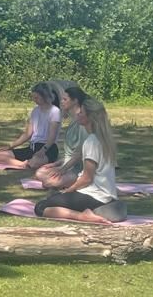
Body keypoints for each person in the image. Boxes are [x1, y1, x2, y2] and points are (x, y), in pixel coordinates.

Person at [34, 95, 124, 223]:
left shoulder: (92, 142)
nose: (78, 115)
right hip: (105, 194)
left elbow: (87, 178)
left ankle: (82, 216)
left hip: (94, 195)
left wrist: (68, 191)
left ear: (89, 118)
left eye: (81, 112)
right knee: (55, 197)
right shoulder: (105, 139)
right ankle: (84, 212)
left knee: (41, 207)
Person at [0, 82, 60, 170]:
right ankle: (23, 164)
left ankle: (29, 163)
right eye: (33, 97)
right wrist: (10, 146)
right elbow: (27, 134)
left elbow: (52, 138)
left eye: (36, 97)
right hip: (32, 147)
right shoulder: (35, 111)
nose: (34, 100)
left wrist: (42, 151)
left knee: (34, 163)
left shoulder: (55, 111)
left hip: (48, 148)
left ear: (45, 96)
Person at [38, 81, 85, 188]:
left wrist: (61, 169)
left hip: (80, 169)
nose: (61, 102)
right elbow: (70, 154)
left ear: (75, 101)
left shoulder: (82, 122)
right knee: (40, 172)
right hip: (69, 165)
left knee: (48, 182)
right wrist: (55, 164)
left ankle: (81, 182)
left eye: (65, 99)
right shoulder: (73, 121)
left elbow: (80, 155)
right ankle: (66, 180)